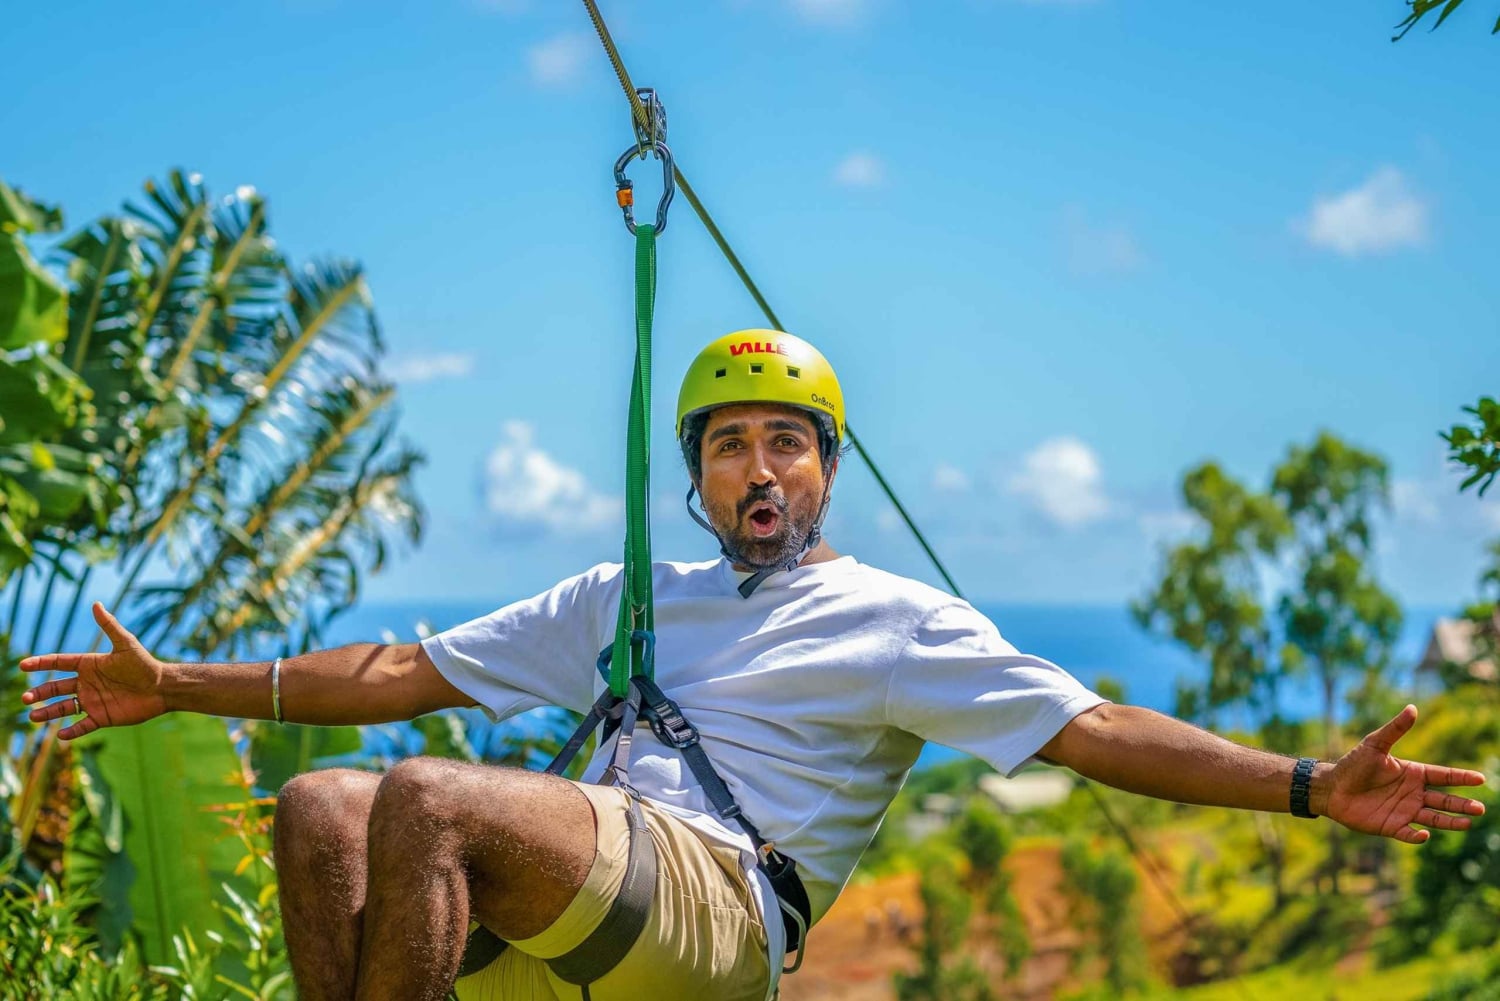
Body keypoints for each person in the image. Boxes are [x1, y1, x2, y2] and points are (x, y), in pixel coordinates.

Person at [20, 329, 1487, 1001]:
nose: (758, 461)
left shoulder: (896, 623)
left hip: (722, 913)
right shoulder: (628, 595)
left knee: (424, 800)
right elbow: (404, 664)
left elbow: (1092, 726)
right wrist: (185, 684)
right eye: (729, 440)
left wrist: (1306, 783)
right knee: (326, 805)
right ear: (704, 478)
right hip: (579, 913)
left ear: (827, 470)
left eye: (786, 437)